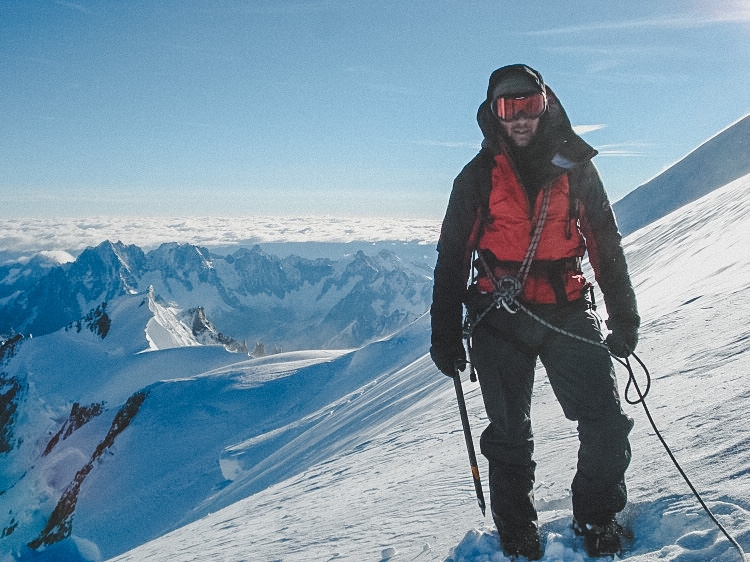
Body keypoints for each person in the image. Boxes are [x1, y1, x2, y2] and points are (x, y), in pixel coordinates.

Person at [430, 64, 639, 560]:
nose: (520, 118)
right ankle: (519, 532)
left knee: (606, 423)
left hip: (566, 308)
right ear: (493, 114)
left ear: (545, 106)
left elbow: (605, 245)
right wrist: (444, 332)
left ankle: (596, 512)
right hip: (497, 318)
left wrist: (623, 315)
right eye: (509, 108)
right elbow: (452, 254)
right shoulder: (477, 177)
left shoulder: (577, 167)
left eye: (528, 106)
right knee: (509, 436)